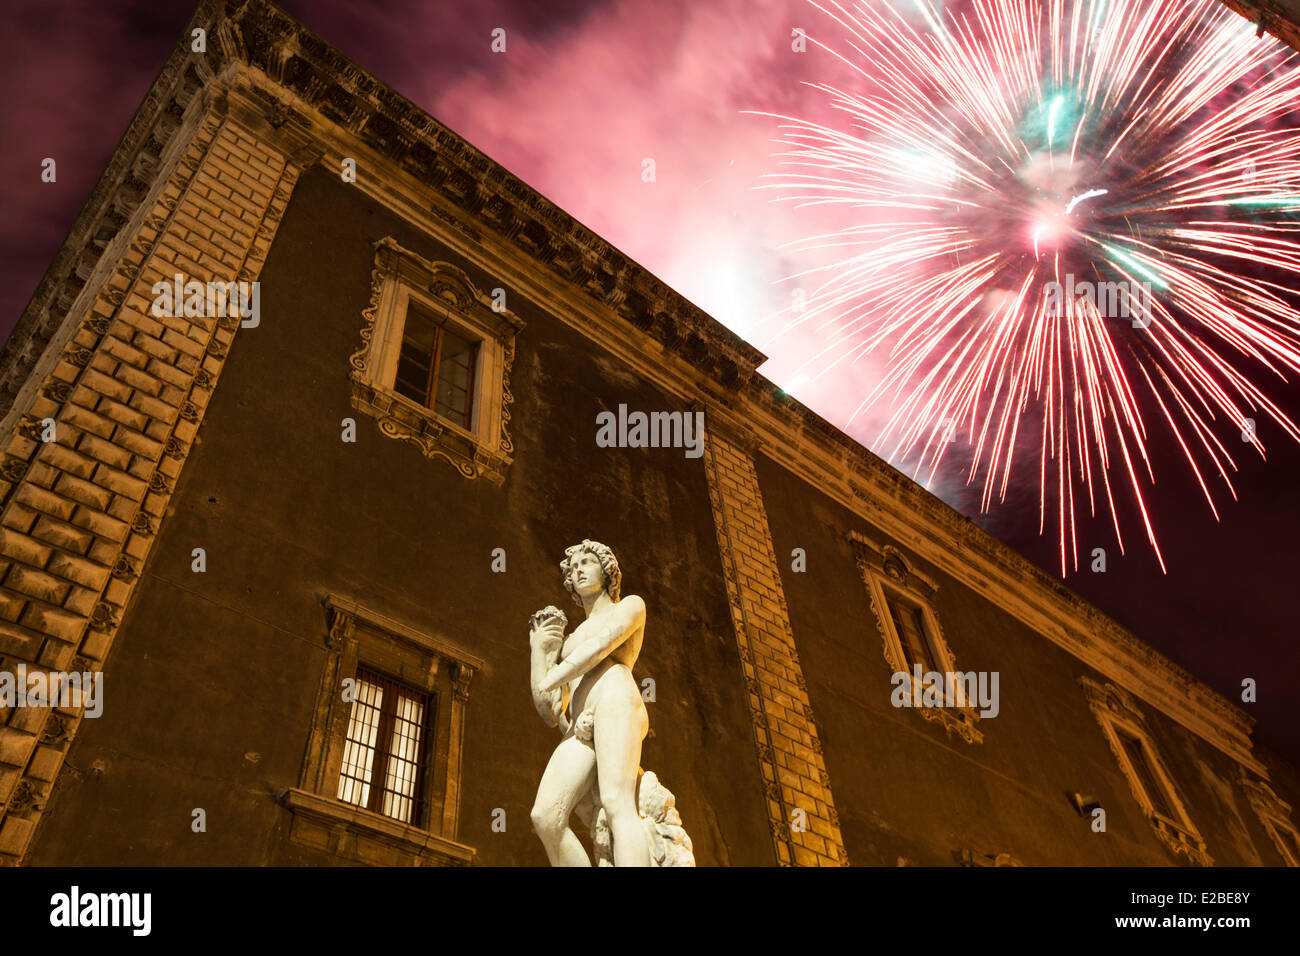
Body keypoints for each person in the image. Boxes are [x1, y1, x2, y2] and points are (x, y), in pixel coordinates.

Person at [529, 540, 650, 866]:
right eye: (573, 567)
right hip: (581, 727)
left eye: (587, 562)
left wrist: (552, 675)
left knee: (616, 801)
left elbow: (600, 646)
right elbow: (550, 711)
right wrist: (539, 653)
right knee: (545, 816)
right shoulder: (568, 642)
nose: (578, 569)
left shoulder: (629, 606)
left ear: (608, 570)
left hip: (616, 699)